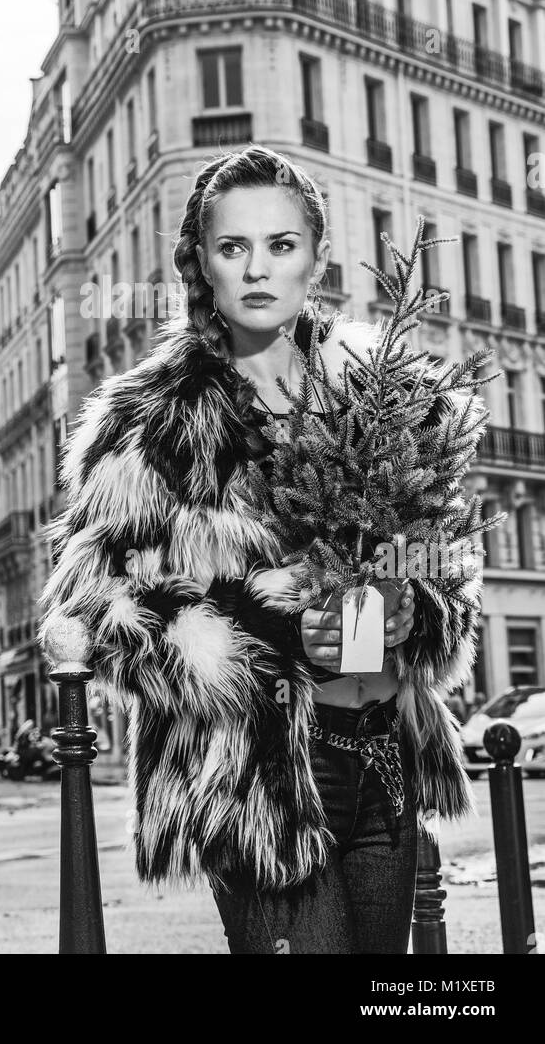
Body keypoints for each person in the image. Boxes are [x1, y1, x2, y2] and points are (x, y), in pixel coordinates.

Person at [39, 145, 486, 956]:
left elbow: (454, 575)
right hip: (255, 778)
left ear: (315, 257)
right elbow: (96, 610)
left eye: (281, 245)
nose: (257, 268)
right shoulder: (151, 422)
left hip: (383, 756)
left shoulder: (386, 396)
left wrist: (407, 610)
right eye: (232, 246)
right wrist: (277, 633)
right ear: (199, 263)